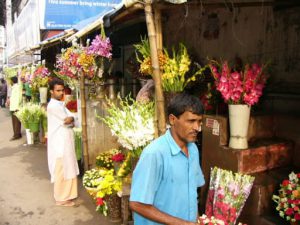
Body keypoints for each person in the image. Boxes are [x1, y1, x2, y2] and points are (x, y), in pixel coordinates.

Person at [130, 93, 205, 225]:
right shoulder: (154, 154)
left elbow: (192, 195)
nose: (196, 128)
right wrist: (181, 223)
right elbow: (137, 204)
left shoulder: (193, 150)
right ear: (172, 119)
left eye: (199, 121)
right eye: (191, 121)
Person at [47, 78, 79, 207]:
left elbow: (72, 117)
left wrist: (72, 118)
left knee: (68, 167)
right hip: (59, 144)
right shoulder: (53, 106)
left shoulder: (60, 104)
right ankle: (61, 198)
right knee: (61, 170)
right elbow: (68, 119)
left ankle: (68, 195)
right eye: (58, 90)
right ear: (51, 91)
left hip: (66, 141)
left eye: (62, 90)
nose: (61, 93)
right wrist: (72, 118)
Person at [7, 77, 22, 141]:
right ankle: (18, 134)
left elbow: (18, 97)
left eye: (10, 81)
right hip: (14, 106)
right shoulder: (15, 87)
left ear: (12, 81)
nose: (10, 82)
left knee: (15, 121)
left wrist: (17, 106)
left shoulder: (16, 87)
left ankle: (16, 135)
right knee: (16, 121)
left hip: (15, 107)